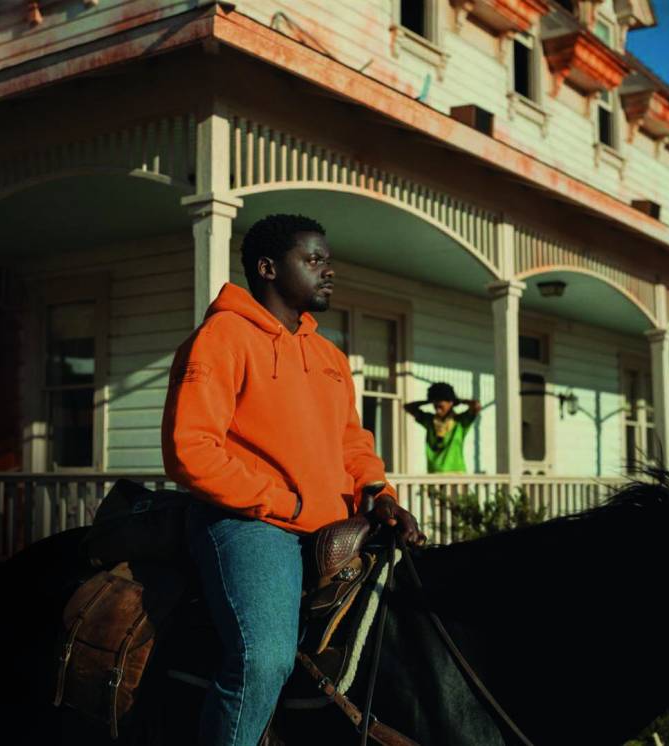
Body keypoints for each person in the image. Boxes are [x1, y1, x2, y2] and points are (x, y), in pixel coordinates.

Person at [161, 213, 425, 746]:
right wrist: (286, 503)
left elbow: (352, 443)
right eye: (313, 260)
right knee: (264, 660)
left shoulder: (328, 355)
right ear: (268, 268)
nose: (328, 271)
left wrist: (380, 496)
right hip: (250, 525)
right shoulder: (222, 337)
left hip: (335, 524)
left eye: (327, 260)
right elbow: (190, 451)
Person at [404, 382, 482, 474]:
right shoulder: (430, 421)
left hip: (456, 474)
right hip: (434, 474)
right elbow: (408, 407)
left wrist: (457, 400)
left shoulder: (460, 421)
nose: (437, 409)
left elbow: (476, 406)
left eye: (440, 406)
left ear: (451, 403)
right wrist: (429, 400)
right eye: (435, 406)